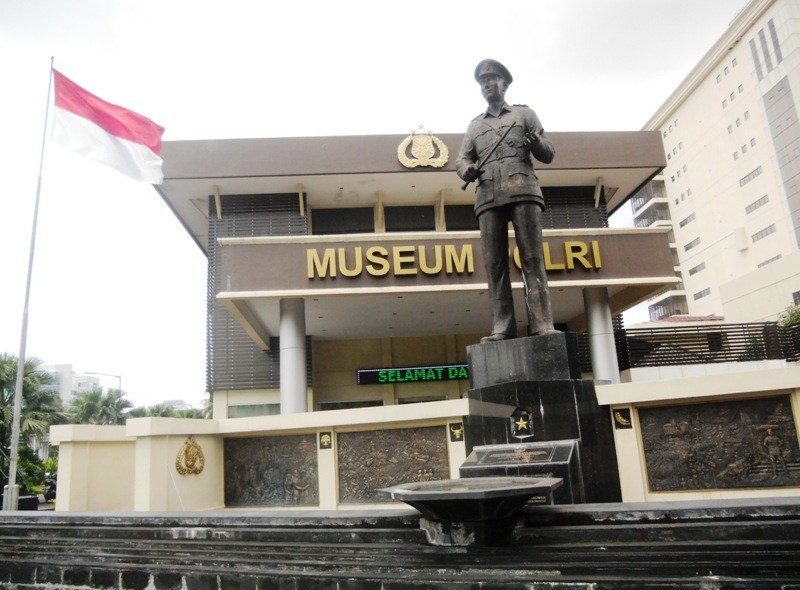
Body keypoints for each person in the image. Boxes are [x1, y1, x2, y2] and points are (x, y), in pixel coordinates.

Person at [457, 59, 556, 343]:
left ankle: (542, 323)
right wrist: (467, 169)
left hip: (523, 189)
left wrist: (534, 142)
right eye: (482, 82)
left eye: (491, 79)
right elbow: (462, 159)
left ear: (505, 83)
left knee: (532, 259)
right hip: (488, 195)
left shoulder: (524, 114)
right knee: (495, 265)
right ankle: (503, 326)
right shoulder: (475, 126)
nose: (486, 85)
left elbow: (548, 153)